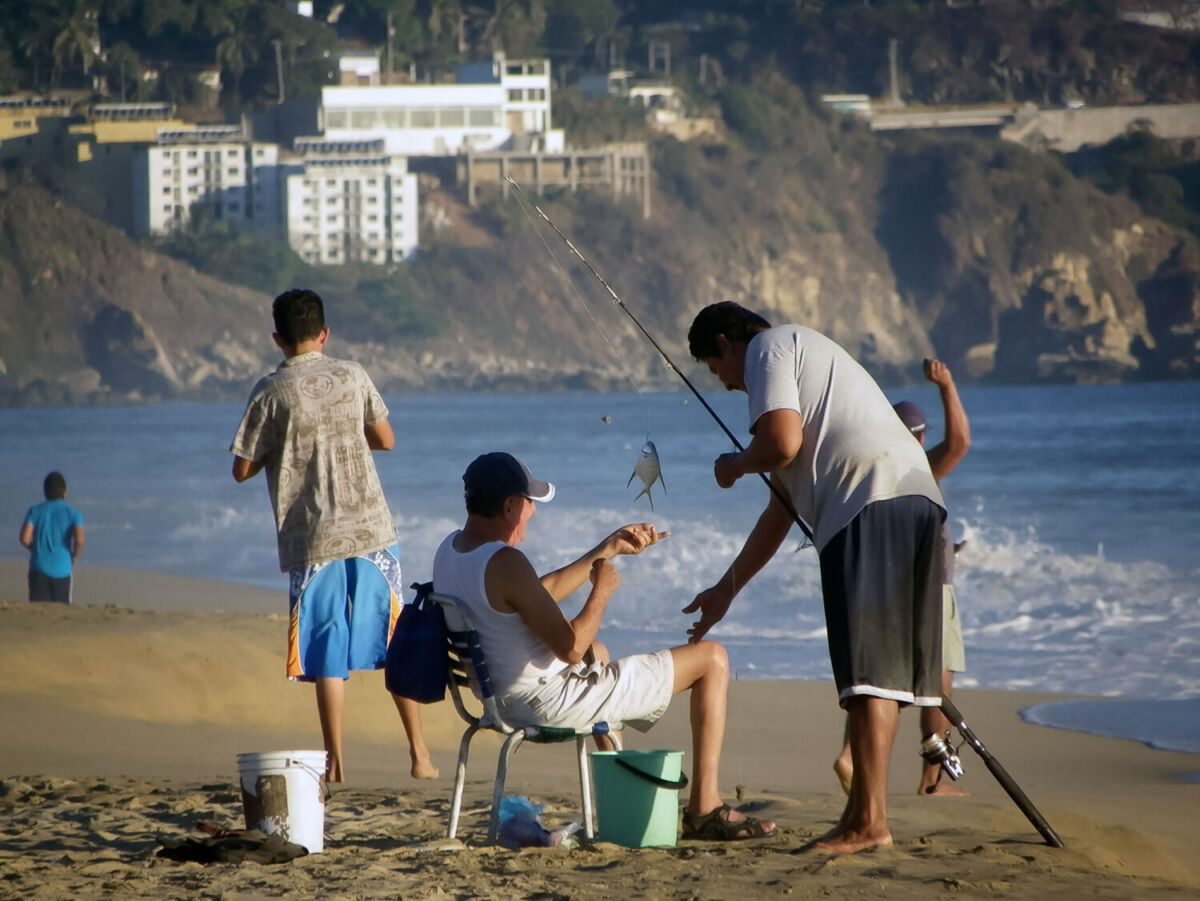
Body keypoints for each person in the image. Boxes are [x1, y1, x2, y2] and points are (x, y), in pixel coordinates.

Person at [683, 302, 944, 854]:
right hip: (917, 498)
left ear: (727, 343)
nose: (727, 386)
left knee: (868, 671)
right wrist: (725, 590)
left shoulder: (767, 349)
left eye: (715, 369)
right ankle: (864, 813)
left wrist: (733, 465)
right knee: (888, 675)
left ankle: (869, 822)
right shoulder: (807, 361)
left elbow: (781, 444)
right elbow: (781, 508)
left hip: (867, 498)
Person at [432, 450, 777, 841]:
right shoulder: (506, 562)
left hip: (499, 701)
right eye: (529, 503)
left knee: (601, 652)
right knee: (713, 658)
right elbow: (570, 649)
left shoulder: (452, 550)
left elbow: (531, 595)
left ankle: (621, 799)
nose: (534, 513)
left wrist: (607, 548)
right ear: (510, 505)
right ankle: (705, 808)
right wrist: (602, 591)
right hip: (546, 704)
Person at [230, 288, 436, 784]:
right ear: (324, 334)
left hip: (314, 537)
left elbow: (241, 469)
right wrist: (342, 434)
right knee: (393, 639)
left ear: (277, 338)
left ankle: (335, 761)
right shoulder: (353, 374)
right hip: (372, 529)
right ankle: (420, 752)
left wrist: (287, 446)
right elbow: (385, 438)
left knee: (326, 648)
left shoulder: (269, 391)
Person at [832, 359, 972, 797]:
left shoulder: (879, 475)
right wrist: (948, 384)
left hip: (892, 585)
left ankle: (851, 756)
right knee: (937, 679)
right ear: (919, 437)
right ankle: (934, 780)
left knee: (882, 677)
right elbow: (960, 443)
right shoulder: (919, 467)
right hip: (932, 587)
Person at [19, 471, 85, 603]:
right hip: (62, 569)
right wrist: (74, 555)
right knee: (60, 614)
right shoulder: (74, 514)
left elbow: (24, 538)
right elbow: (79, 540)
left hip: (38, 567)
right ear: (65, 492)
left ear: (45, 491)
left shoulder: (35, 511)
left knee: (38, 613)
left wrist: (34, 548)